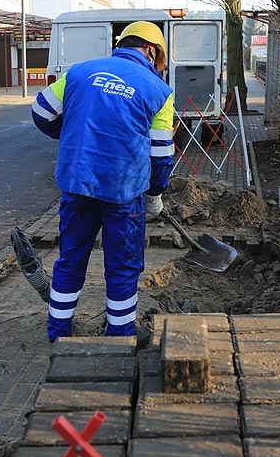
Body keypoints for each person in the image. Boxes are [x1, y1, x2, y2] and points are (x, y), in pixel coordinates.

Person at [31, 21, 174, 342]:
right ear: (152, 51)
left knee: (70, 259)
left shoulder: (80, 72)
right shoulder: (158, 90)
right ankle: (120, 336)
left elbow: (41, 112)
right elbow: (161, 155)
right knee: (122, 266)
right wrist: (155, 193)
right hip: (124, 193)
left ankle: (58, 333)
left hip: (76, 184)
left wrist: (71, 131)